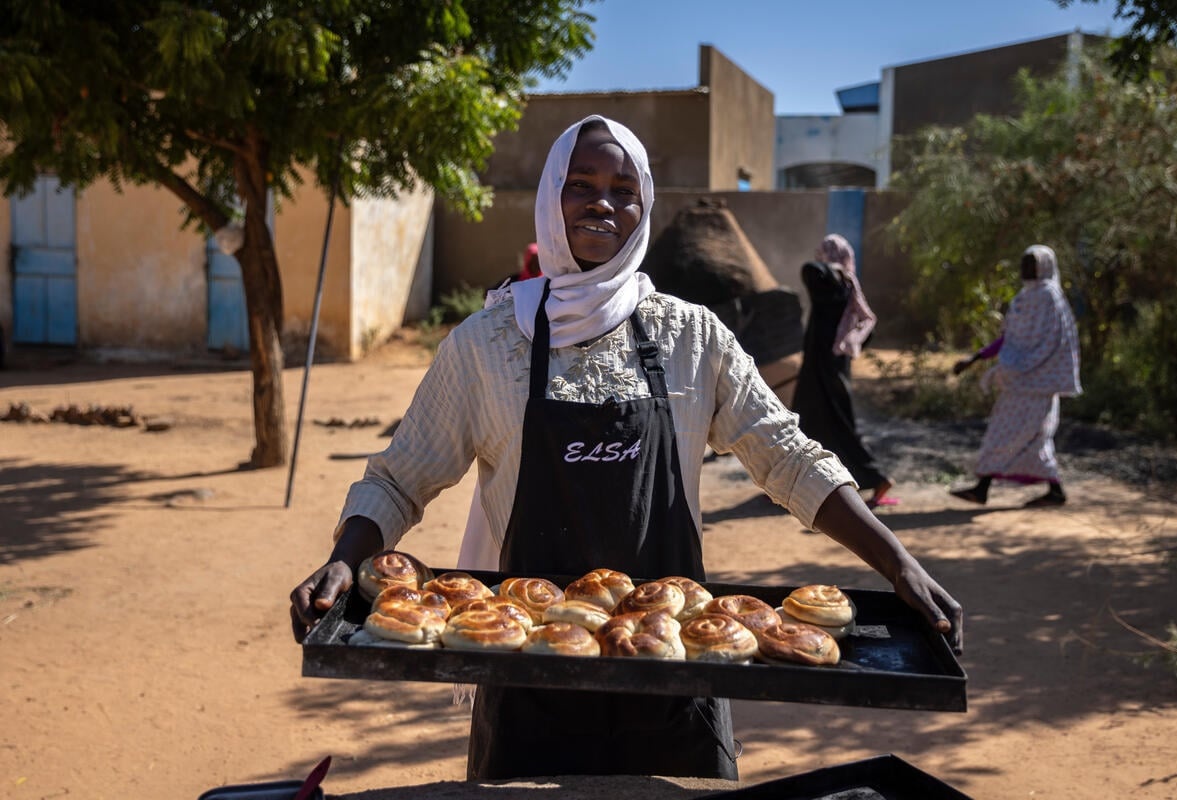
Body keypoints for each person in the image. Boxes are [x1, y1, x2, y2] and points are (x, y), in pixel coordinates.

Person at [290, 115, 962, 781]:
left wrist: (896, 562)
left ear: (644, 209)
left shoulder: (692, 339)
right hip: (527, 676)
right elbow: (401, 477)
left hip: (675, 670)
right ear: (552, 197)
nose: (602, 202)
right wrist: (345, 560)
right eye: (580, 183)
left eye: (623, 188)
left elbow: (787, 456)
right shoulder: (487, 344)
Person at [950, 244, 1082, 508]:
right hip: (1017, 382)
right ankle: (1048, 490)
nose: (1025, 268)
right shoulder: (1024, 297)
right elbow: (1009, 339)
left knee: (1023, 436)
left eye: (1031, 263)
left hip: (1039, 383)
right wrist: (975, 358)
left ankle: (984, 488)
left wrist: (1026, 365)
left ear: (1044, 266)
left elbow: (1053, 343)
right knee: (1021, 437)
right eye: (1024, 262)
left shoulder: (1049, 298)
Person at [790, 234, 895, 508]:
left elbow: (810, 270)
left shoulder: (837, 281)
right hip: (819, 365)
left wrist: (834, 269)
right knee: (809, 421)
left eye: (823, 251)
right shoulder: (836, 281)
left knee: (840, 424)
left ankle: (876, 477)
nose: (817, 256)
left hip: (829, 365)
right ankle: (805, 482)